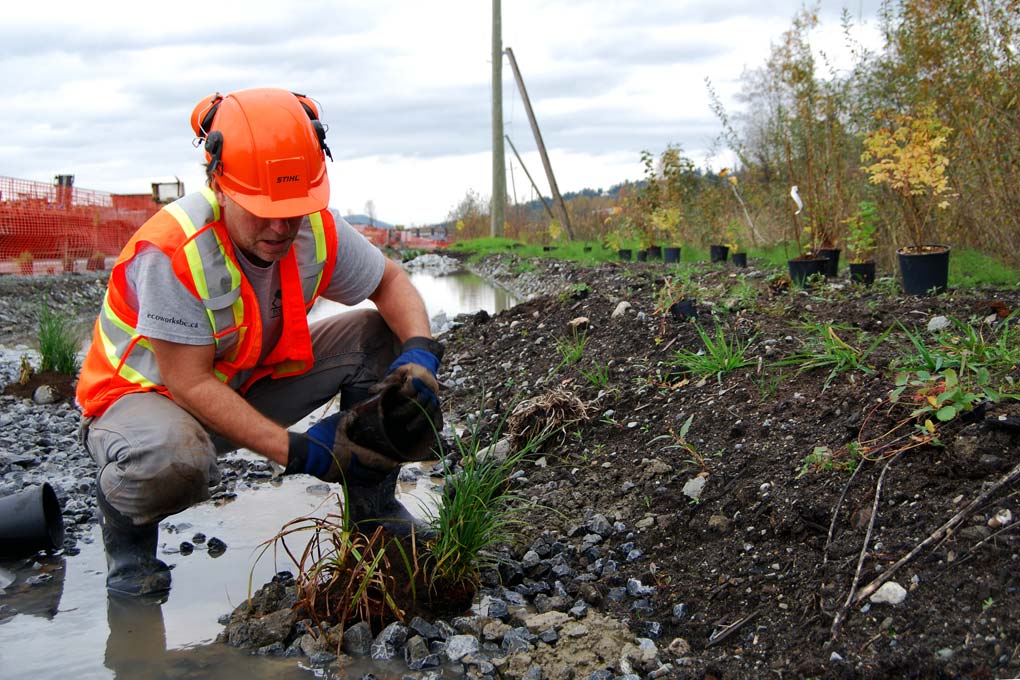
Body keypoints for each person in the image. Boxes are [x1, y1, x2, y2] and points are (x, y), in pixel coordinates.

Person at [76, 88, 443, 599]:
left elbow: (391, 282)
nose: (280, 227)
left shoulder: (315, 228)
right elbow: (188, 383)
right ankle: (129, 544)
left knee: (379, 336)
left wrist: (420, 353)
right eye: (261, 209)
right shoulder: (173, 250)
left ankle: (373, 513)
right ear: (219, 186)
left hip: (241, 378)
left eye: (293, 209)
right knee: (174, 461)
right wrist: (303, 452)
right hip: (145, 399)